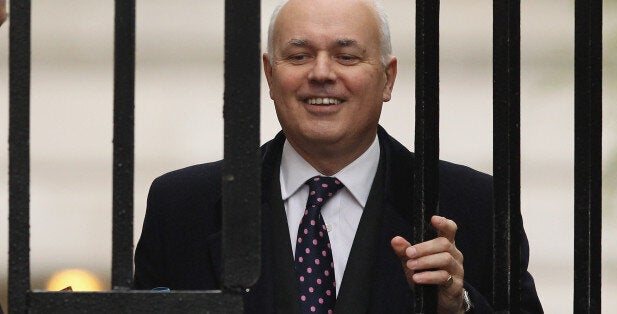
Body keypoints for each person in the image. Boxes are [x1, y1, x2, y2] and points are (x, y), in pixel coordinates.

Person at [133, 0, 543, 313]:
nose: (322, 73)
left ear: (388, 78)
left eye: (347, 56)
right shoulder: (182, 204)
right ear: (270, 76)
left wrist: (459, 307)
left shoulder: (474, 203)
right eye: (299, 56)